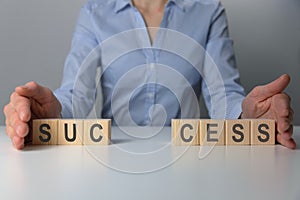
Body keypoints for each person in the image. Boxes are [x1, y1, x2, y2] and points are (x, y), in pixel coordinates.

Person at [3, 0, 295, 150]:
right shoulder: (95, 12)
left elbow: (223, 95)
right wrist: (52, 115)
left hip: (189, 158)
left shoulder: (208, 11)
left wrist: (247, 118)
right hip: (116, 155)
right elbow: (76, 93)